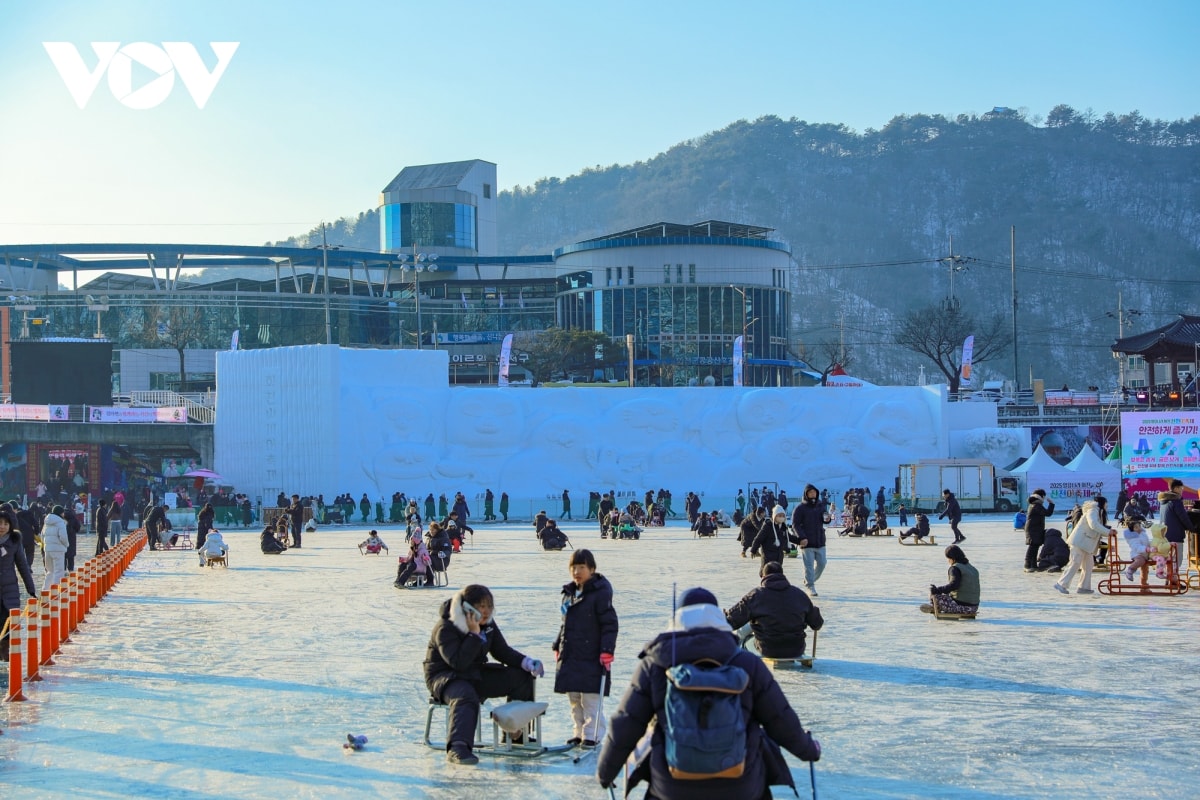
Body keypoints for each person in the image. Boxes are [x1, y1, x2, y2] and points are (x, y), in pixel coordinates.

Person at [596, 586, 821, 799]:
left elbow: (627, 724)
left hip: (672, 786)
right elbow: (780, 720)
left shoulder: (655, 665)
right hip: (741, 785)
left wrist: (606, 773)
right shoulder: (747, 663)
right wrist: (809, 750)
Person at [424, 584, 545, 765]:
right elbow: (457, 663)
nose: (487, 611)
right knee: (466, 695)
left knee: (520, 677)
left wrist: (526, 662)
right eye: (481, 606)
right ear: (467, 607)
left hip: (474, 673)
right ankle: (458, 747)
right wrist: (473, 634)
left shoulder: (487, 624)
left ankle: (517, 733)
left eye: (489, 606)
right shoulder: (446, 626)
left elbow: (502, 650)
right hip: (446, 677)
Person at [553, 549, 618, 747]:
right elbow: (565, 624)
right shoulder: (570, 594)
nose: (577, 572)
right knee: (574, 699)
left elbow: (610, 624)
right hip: (571, 653)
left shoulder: (600, 594)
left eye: (582, 567)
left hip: (592, 655)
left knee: (590, 698)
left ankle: (592, 734)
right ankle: (578, 731)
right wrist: (558, 645)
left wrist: (607, 650)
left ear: (592, 569)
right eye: (574, 567)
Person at [726, 561, 823, 660]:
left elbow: (731, 622)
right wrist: (814, 611)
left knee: (745, 640)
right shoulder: (799, 595)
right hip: (796, 649)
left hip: (768, 648)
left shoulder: (756, 595)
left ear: (763, 576)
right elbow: (817, 624)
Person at [1054, 496, 1113, 595]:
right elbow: (1093, 524)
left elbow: (1096, 528)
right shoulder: (1093, 510)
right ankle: (1061, 584)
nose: (1107, 506)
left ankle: (1084, 587)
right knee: (1075, 563)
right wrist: (1108, 531)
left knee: (1088, 565)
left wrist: (1108, 531)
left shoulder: (1098, 512)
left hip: (1086, 544)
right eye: (1106, 503)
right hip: (1079, 541)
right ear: (1102, 503)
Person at [791, 484, 828, 596]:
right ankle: (810, 586)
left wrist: (827, 519)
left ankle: (809, 580)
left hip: (820, 540)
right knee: (809, 566)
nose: (813, 494)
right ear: (806, 494)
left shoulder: (820, 506)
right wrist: (802, 537)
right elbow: (795, 525)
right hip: (807, 542)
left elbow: (824, 519)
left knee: (822, 563)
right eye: (810, 492)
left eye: (814, 492)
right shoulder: (800, 508)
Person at [921, 544, 980, 615]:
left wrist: (937, 590)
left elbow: (954, 585)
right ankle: (938, 607)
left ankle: (936, 607)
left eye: (948, 559)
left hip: (961, 607)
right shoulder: (972, 568)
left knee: (935, 596)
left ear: (952, 558)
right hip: (974, 607)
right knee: (946, 596)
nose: (948, 561)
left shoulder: (955, 568)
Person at [1157, 479, 1197, 583]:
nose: (1182, 490)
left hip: (1164, 535)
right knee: (1176, 559)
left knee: (1169, 559)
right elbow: (1183, 517)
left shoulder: (1163, 502)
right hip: (1175, 535)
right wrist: (1192, 528)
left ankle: (1169, 580)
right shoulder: (1176, 502)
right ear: (1176, 488)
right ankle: (1173, 581)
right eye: (1181, 488)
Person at [750, 506, 797, 570]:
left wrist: (800, 541)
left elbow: (789, 537)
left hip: (779, 558)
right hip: (768, 559)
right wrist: (753, 550)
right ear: (774, 516)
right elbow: (759, 538)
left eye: (783, 516)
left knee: (777, 576)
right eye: (779, 515)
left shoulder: (783, 528)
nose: (781, 517)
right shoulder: (768, 527)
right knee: (767, 576)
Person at [1023, 489, 1055, 572]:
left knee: (1035, 546)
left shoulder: (1034, 504)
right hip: (1034, 529)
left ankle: (1033, 565)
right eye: (1043, 496)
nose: (1044, 498)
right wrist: (1051, 504)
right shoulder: (1036, 505)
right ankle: (1027, 565)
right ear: (1041, 496)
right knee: (1032, 547)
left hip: (1034, 528)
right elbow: (1048, 513)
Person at [41, 505, 70, 592]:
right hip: (58, 550)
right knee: (59, 571)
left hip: (47, 549)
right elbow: (63, 537)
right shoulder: (61, 522)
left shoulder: (46, 522)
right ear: (61, 513)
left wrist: (47, 544)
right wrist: (66, 545)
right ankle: (56, 592)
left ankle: (45, 591)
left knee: (50, 571)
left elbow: (42, 536)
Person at [1120, 515, 1155, 582]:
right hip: (1137, 554)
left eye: (1139, 526)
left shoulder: (1142, 533)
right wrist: (1146, 549)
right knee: (1140, 561)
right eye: (1136, 527)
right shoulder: (1133, 538)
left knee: (1145, 570)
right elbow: (1137, 547)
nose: (1138, 528)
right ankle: (1130, 570)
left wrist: (1152, 545)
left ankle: (1144, 584)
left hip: (1145, 555)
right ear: (1132, 529)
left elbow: (1146, 542)